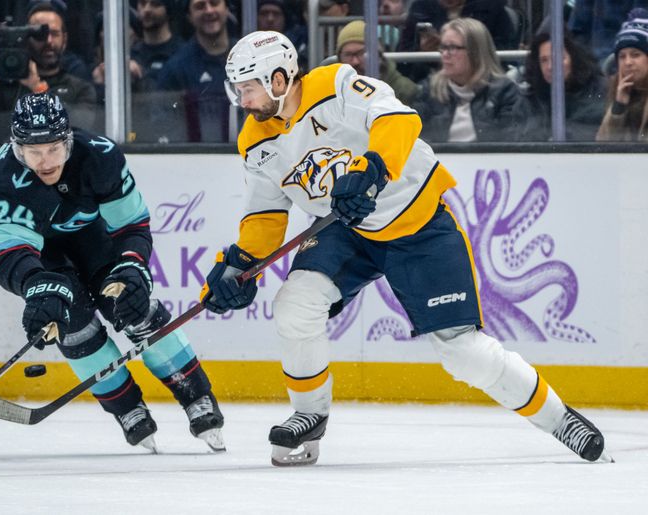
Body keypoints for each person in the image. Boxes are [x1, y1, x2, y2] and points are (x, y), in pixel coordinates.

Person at [202, 30, 609, 467]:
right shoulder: (255, 140)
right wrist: (241, 265)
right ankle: (309, 412)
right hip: (348, 229)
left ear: (279, 79)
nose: (242, 101)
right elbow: (265, 214)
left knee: (463, 353)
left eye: (247, 89)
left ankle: (558, 418)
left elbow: (397, 119)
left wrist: (373, 169)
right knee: (295, 305)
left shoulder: (336, 84)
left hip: (417, 222)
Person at [0, 92, 225, 452]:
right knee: (73, 325)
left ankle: (197, 396)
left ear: (69, 139)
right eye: (33, 152)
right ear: (16, 148)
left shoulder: (99, 156)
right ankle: (127, 409)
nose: (44, 161)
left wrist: (132, 265)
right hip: (33, 250)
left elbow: (131, 225)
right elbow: (10, 252)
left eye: (53, 148)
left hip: (87, 233)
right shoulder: (3, 178)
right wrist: (35, 285)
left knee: (133, 304)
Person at [0, 1, 96, 144]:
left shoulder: (81, 89)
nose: (48, 41)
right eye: (40, 35)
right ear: (27, 39)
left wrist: (38, 89)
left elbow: (78, 133)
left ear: (65, 39)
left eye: (54, 34)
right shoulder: (7, 88)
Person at [410, 18, 520, 143]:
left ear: (475, 52)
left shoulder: (505, 92)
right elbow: (417, 142)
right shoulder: (428, 91)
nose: (445, 54)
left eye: (452, 47)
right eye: (443, 47)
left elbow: (510, 144)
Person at [158, 0, 237, 142]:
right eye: (200, 6)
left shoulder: (248, 56)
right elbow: (163, 122)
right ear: (189, 16)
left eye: (214, 3)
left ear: (227, 9)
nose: (209, 10)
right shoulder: (176, 68)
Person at [515, 33, 606, 142]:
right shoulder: (529, 100)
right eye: (544, 60)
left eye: (558, 58)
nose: (550, 67)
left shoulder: (598, 90)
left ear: (573, 59)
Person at [336, 20, 419, 105]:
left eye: (361, 53)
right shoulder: (332, 92)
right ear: (339, 59)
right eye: (348, 55)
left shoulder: (404, 90)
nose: (355, 62)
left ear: (377, 54)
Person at [596, 8, 648, 142]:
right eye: (622, 57)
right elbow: (601, 147)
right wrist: (619, 107)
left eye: (635, 55)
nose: (628, 62)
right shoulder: (615, 89)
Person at [129, 0, 184, 93]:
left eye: (155, 4)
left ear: (168, 11)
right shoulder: (130, 55)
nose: (146, 9)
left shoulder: (183, 53)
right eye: (142, 4)